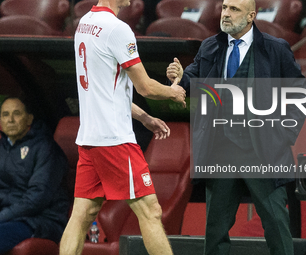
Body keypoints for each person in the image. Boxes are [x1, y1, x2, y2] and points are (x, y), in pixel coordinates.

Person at [167, 0, 306, 254]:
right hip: (220, 150)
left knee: (276, 224)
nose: (226, 14)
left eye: (234, 9)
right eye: (224, 8)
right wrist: (179, 78)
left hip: (263, 152)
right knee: (215, 230)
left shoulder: (275, 49)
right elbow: (192, 76)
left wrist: (282, 136)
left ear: (251, 16)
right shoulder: (210, 46)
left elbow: (299, 94)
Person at [59, 0, 186, 255]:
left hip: (90, 138)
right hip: (114, 140)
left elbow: (105, 91)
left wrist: (144, 118)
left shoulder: (84, 24)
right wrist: (173, 92)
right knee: (150, 210)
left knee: (82, 215)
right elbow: (146, 87)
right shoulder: (117, 29)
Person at [0, 96, 70, 253]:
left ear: (29, 118)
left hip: (40, 220)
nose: (10, 119)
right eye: (5, 114)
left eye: (16, 113)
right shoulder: (1, 149)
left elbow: (37, 198)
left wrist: (2, 216)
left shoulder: (46, 148)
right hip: (7, 218)